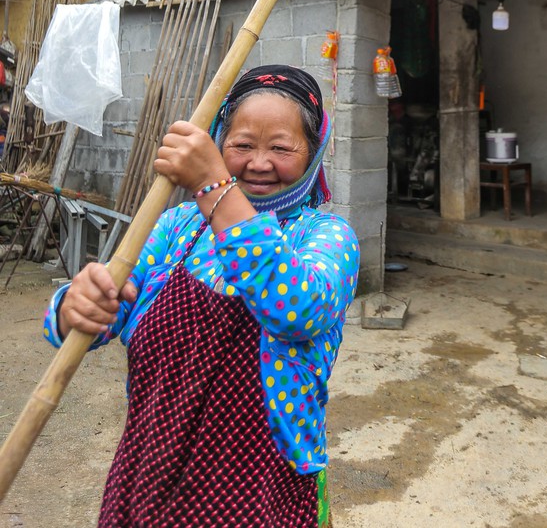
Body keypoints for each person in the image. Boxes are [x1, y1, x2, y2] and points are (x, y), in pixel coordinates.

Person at [44, 65, 359, 527]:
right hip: (152, 468)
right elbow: (108, 313)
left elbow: (297, 311)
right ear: (218, 141)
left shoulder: (327, 237)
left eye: (281, 147)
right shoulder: (176, 228)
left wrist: (214, 185)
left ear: (313, 153)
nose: (259, 162)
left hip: (260, 485)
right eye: (242, 145)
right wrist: (77, 306)